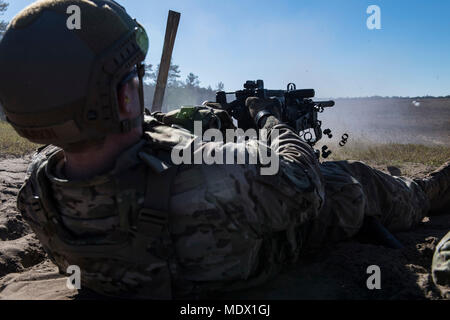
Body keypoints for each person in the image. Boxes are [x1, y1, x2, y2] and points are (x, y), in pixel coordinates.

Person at [0, 0, 448, 299]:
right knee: (351, 179)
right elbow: (303, 175)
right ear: (121, 98)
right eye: (133, 76)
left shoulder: (38, 191)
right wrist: (269, 118)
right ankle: (430, 190)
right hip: (278, 238)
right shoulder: (216, 176)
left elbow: (135, 136)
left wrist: (202, 117)